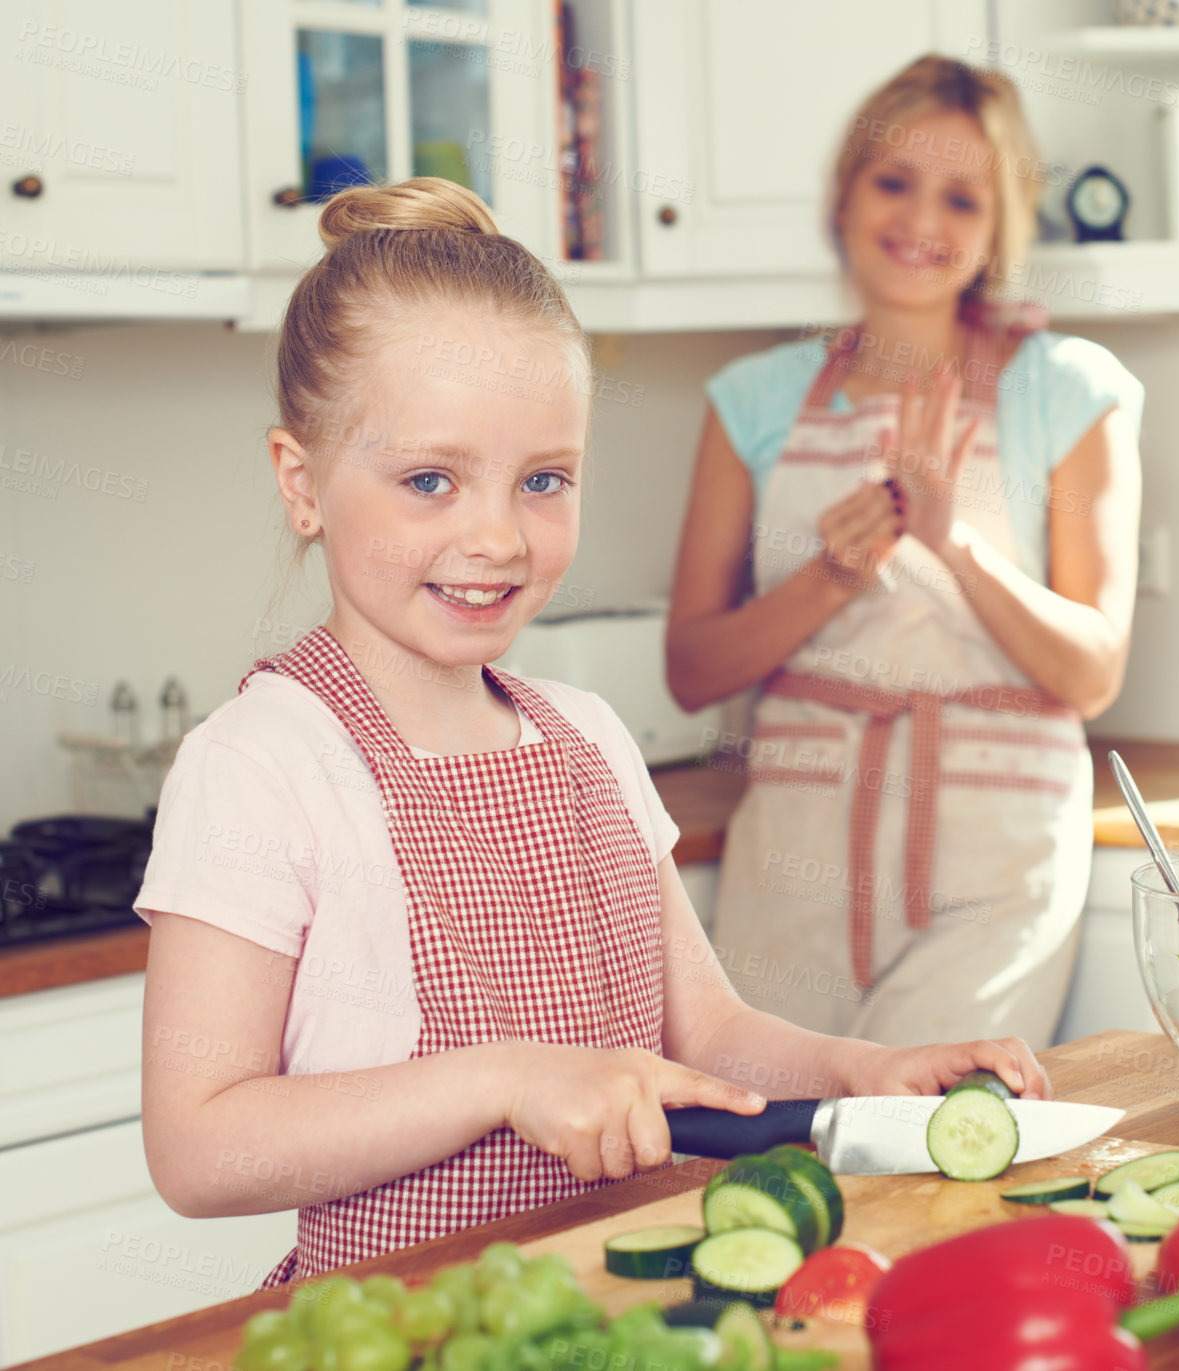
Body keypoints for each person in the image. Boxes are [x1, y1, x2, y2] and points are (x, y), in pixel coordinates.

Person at [135, 176, 1052, 1286]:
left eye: (543, 481)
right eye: (430, 480)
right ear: (302, 483)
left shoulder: (587, 739)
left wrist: (863, 1069)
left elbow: (707, 1036)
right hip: (416, 1337)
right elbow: (197, 1146)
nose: (497, 536)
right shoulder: (260, 765)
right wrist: (506, 1079)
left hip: (640, 1310)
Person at [667, 56, 1143, 1049]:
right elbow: (692, 669)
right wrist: (832, 577)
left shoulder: (1066, 389)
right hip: (796, 853)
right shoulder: (752, 398)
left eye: (962, 197)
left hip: (993, 862)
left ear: (997, 230)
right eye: (893, 181)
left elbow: (1092, 672)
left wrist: (949, 541)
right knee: (777, 1156)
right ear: (844, 193)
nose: (921, 221)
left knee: (934, 1154)